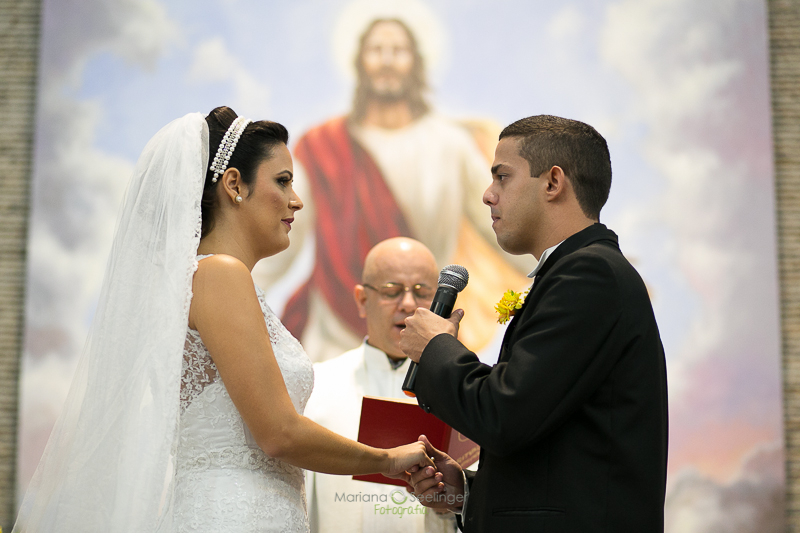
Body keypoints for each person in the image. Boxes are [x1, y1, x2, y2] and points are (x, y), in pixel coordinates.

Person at [13, 107, 434, 533]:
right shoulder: (220, 275)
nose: (297, 200)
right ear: (235, 185)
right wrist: (388, 459)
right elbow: (278, 433)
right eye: (283, 181)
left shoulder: (215, 280)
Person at [399, 115, 669, 532]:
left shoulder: (589, 276)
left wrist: (437, 349)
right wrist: (469, 492)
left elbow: (504, 415)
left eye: (502, 177)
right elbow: (550, 443)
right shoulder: (578, 274)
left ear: (553, 182)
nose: (488, 195)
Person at [252, 17, 529, 362]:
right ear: (359, 61)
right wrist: (231, 282)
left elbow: (499, 225)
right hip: (333, 340)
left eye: (397, 51)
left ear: (415, 62)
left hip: (421, 336)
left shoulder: (450, 145)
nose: (386, 60)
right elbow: (281, 242)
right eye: (376, 50)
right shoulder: (322, 146)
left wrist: (559, 264)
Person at [304, 237, 456, 533]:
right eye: (392, 291)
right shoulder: (318, 384)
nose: (408, 304)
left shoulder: (462, 388)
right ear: (362, 300)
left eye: (422, 292)